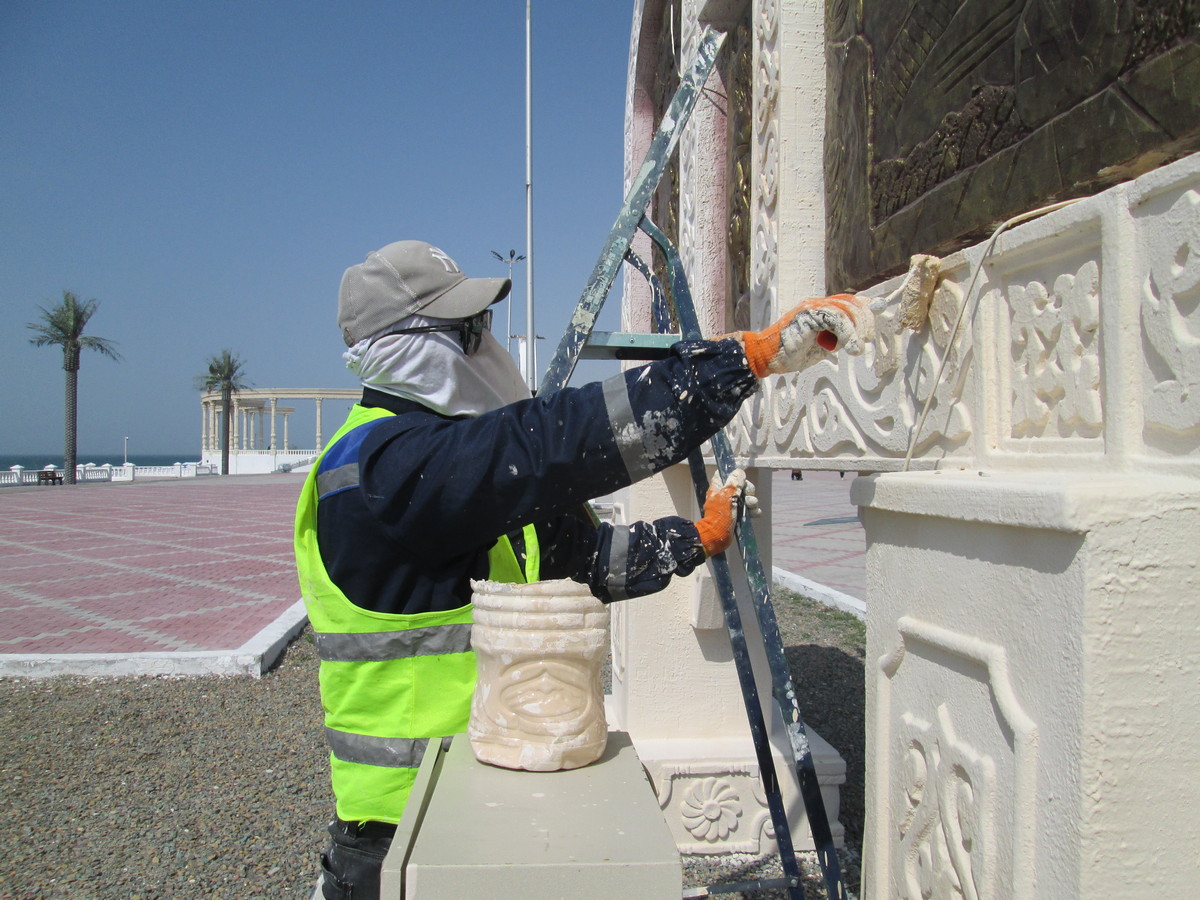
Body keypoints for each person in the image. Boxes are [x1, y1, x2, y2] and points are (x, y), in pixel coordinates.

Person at [295, 240, 872, 900]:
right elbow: (547, 445)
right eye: (470, 333)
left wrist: (695, 539)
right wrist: (742, 362)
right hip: (402, 833)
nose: (489, 348)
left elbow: (588, 559)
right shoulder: (378, 469)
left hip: (494, 782)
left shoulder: (461, 473)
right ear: (407, 348)